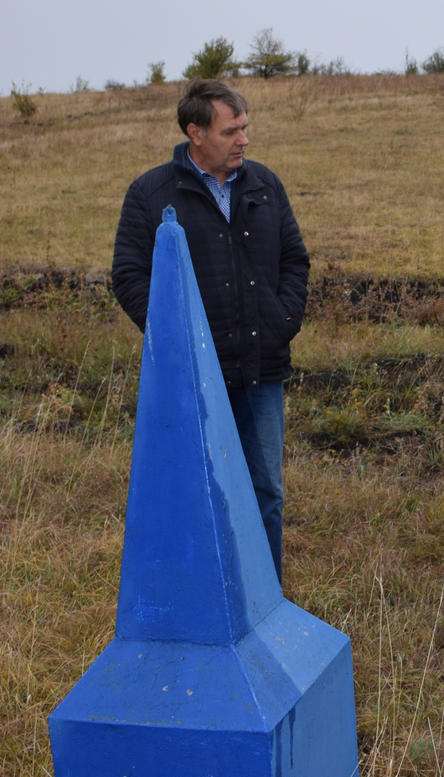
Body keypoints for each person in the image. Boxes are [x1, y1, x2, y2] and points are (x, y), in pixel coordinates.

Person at [111, 79, 308, 583]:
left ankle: (267, 601)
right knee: (202, 492)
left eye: (245, 128)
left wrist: (283, 320)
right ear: (195, 133)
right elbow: (130, 276)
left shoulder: (264, 183)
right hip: (196, 379)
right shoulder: (151, 195)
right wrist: (176, 339)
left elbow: (294, 259)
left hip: (263, 370)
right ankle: (209, 601)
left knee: (266, 492)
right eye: (231, 131)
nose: (244, 140)